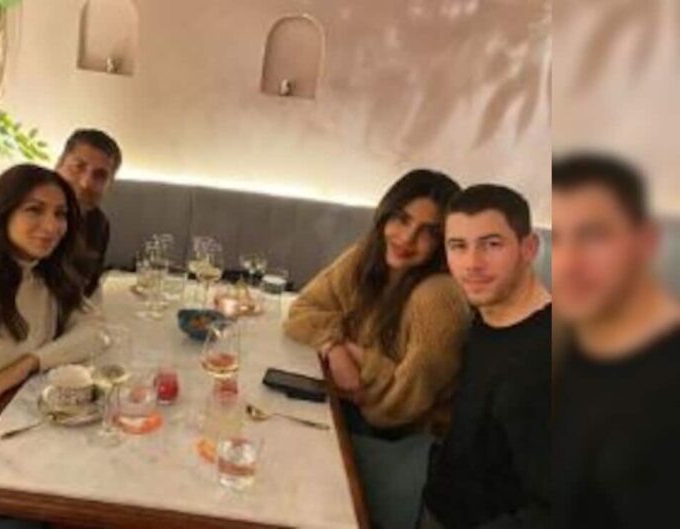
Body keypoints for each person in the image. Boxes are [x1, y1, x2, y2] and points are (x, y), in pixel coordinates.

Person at [284, 169, 471, 528]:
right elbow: (302, 310)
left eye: (428, 232)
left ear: (445, 242)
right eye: (402, 219)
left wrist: (361, 366)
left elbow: (399, 407)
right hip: (355, 424)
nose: (407, 238)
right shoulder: (367, 257)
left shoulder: (438, 297)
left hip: (404, 455)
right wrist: (335, 348)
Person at [552, 154, 680, 529]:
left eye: (594, 235)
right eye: (556, 238)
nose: (568, 263)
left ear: (646, 241)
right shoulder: (568, 342)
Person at [0, 164, 104, 459]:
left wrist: (29, 363)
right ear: (1, 213)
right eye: (34, 210)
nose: (51, 226)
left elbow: (95, 331)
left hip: (22, 422)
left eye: (60, 214)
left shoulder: (45, 274)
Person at [420, 184, 551, 529]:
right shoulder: (485, 319)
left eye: (492, 244)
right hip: (441, 507)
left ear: (529, 248)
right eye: (458, 246)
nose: (472, 264)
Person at [0, 128, 122, 296]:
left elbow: (86, 290)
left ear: (110, 184)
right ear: (59, 165)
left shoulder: (98, 225)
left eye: (100, 175)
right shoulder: (10, 198)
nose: (85, 183)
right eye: (78, 167)